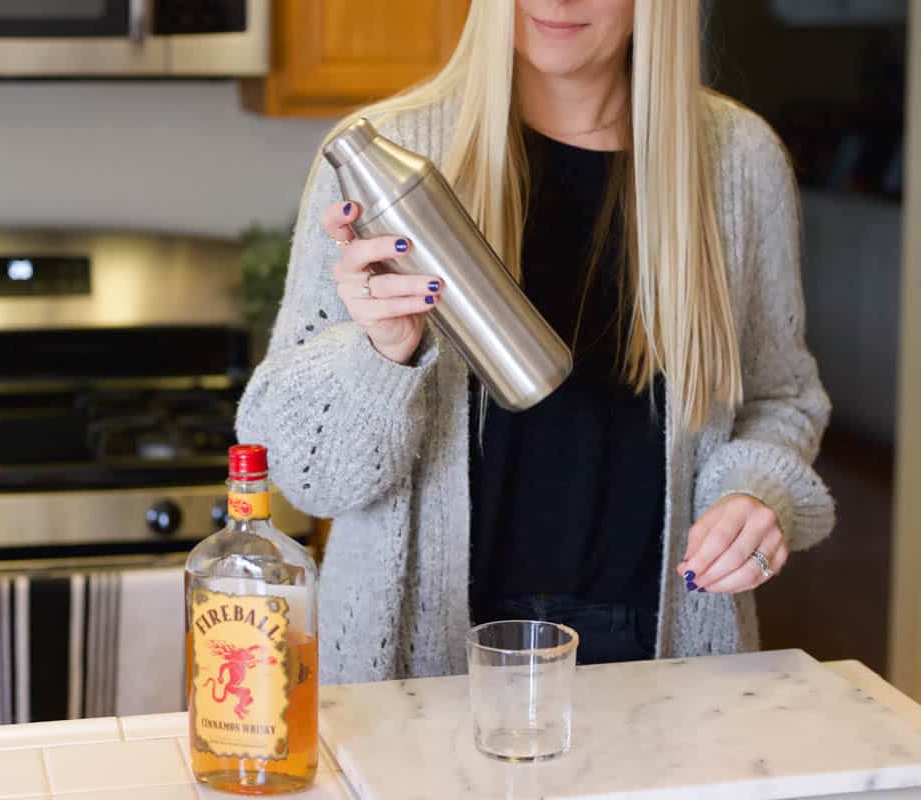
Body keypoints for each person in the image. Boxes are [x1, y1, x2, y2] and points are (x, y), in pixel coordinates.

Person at [236, 0, 835, 684]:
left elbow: (781, 396)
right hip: (424, 659)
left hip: (663, 654)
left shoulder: (738, 161)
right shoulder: (386, 161)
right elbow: (306, 475)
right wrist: (378, 352)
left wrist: (754, 493)